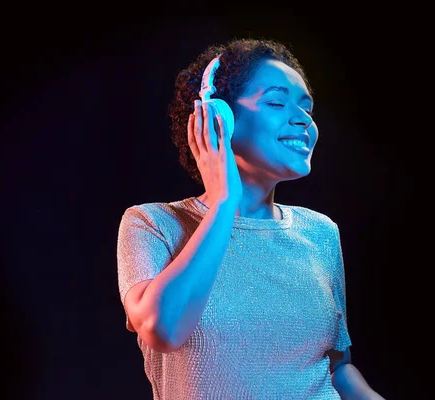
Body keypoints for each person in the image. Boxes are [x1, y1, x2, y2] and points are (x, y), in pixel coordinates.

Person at [116, 37, 385, 399]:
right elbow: (162, 328)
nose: (303, 120)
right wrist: (226, 202)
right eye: (276, 102)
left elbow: (337, 367)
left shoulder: (321, 233)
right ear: (218, 117)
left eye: (307, 108)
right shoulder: (152, 224)